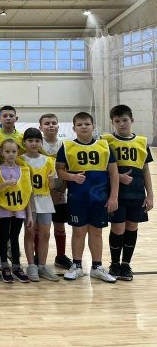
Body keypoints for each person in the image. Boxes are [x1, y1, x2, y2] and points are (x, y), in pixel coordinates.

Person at [55, 112, 118, 283]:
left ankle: (97, 267)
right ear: (74, 128)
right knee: (79, 231)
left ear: (93, 126)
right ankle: (76, 265)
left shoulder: (104, 146)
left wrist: (113, 197)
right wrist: (72, 177)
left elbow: (113, 173)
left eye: (87, 124)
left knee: (97, 232)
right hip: (77, 198)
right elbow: (59, 170)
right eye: (80, 124)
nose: (84, 127)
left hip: (99, 198)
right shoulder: (67, 146)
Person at [102, 105, 153, 281]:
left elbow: (145, 169)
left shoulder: (142, 142)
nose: (122, 124)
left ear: (132, 120)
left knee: (132, 227)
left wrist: (150, 195)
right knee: (118, 227)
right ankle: (115, 264)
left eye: (125, 120)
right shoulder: (106, 141)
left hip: (137, 193)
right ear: (112, 123)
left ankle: (126, 264)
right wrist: (118, 177)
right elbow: (102, 168)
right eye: (117, 121)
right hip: (117, 194)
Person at [0, 139, 33, 283]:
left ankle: (17, 266)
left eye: (13, 151)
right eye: (7, 151)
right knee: (4, 236)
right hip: (4, 209)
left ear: (18, 152)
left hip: (19, 209)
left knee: (15, 237)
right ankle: (4, 266)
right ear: (2, 153)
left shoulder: (24, 170)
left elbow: (26, 194)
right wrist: (5, 184)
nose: (11, 154)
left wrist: (29, 215)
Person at [20, 128, 60, 282]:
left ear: (41, 142)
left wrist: (50, 180)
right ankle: (31, 265)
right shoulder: (20, 160)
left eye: (37, 141)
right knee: (29, 233)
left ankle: (42, 265)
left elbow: (51, 186)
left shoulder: (49, 161)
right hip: (28, 202)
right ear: (24, 142)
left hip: (45, 200)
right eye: (30, 141)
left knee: (45, 234)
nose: (34, 143)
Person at [39, 113, 72, 270]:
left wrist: (61, 191)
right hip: (41, 193)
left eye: (53, 123)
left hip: (60, 193)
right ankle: (38, 256)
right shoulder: (37, 145)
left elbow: (68, 170)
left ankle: (60, 256)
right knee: (40, 228)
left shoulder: (66, 146)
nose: (51, 125)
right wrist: (49, 191)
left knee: (60, 225)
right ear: (40, 127)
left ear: (58, 126)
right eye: (47, 123)